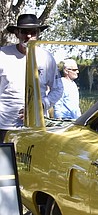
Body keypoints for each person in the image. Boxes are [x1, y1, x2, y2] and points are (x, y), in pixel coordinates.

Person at [0, 13, 64, 141]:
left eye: (33, 32)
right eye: (24, 32)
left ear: (38, 33)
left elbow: (58, 89)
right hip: (4, 127)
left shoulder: (47, 58)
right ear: (17, 33)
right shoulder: (2, 55)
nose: (28, 36)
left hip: (36, 127)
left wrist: (39, 106)